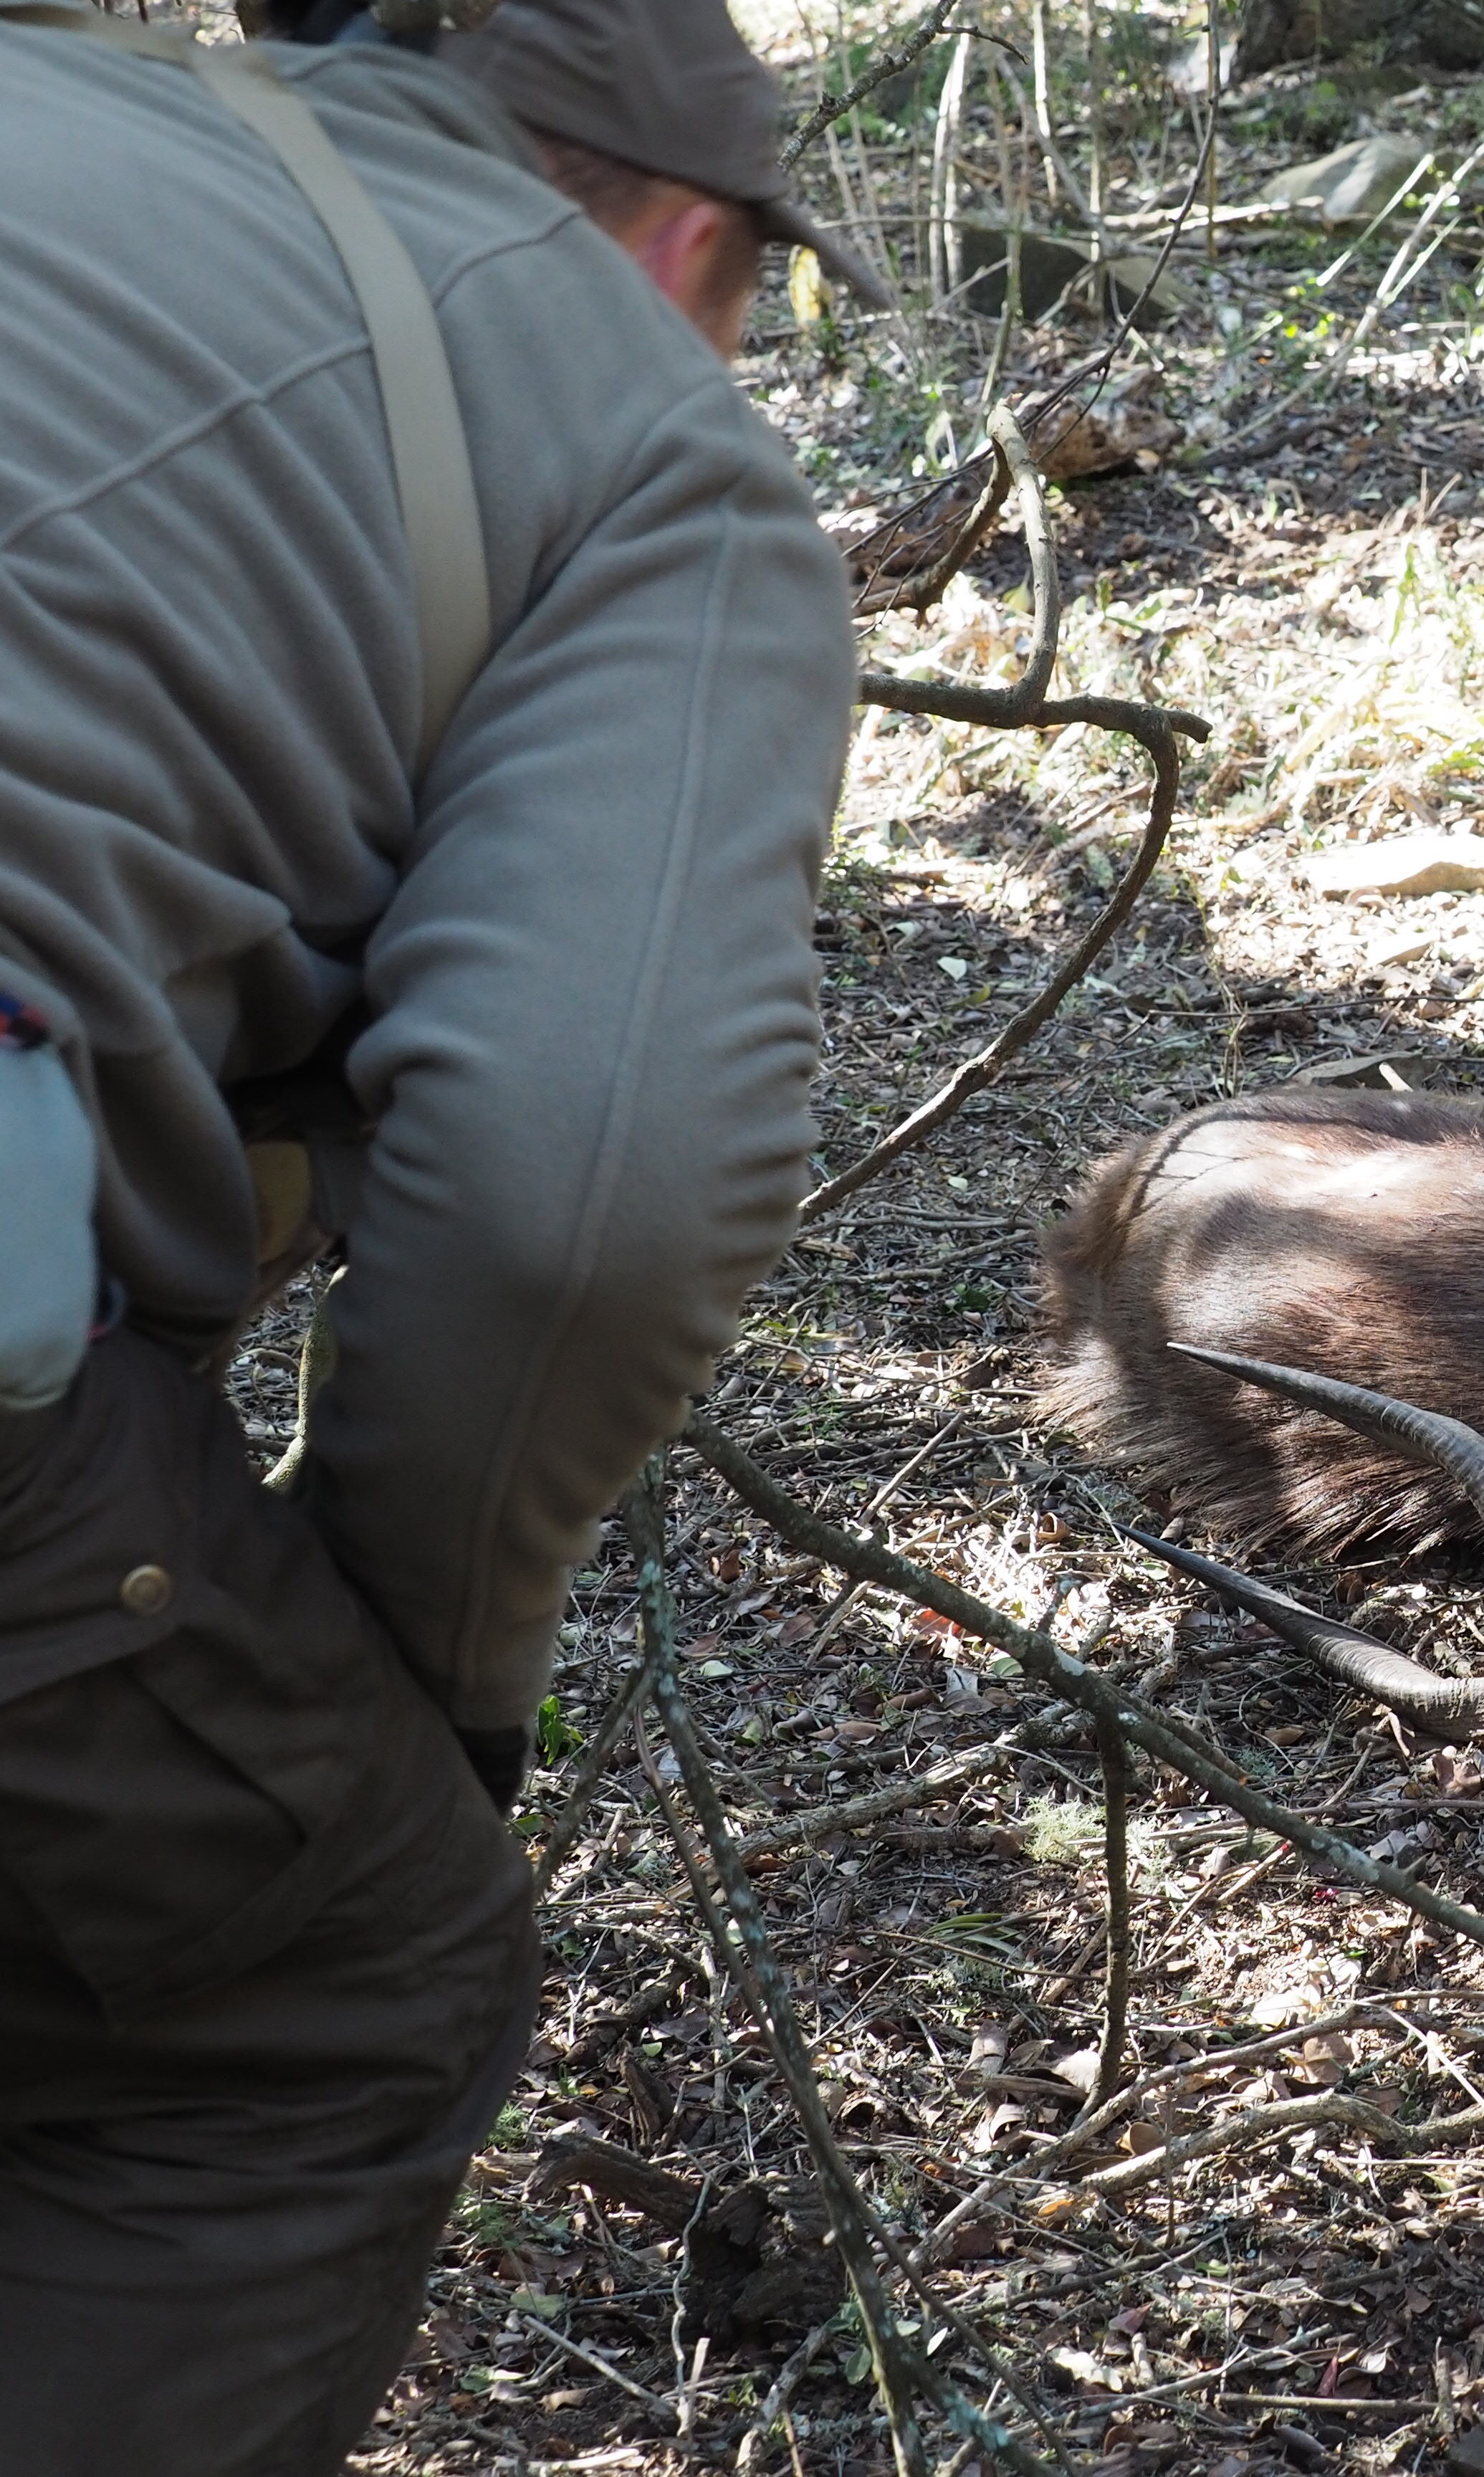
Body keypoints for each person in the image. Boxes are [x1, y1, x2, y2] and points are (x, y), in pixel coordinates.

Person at [0, 1, 876, 2466]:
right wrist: (418, 1676)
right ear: (689, 239)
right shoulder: (649, 437)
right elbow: (590, 1191)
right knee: (303, 1985)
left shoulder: (59, 104)